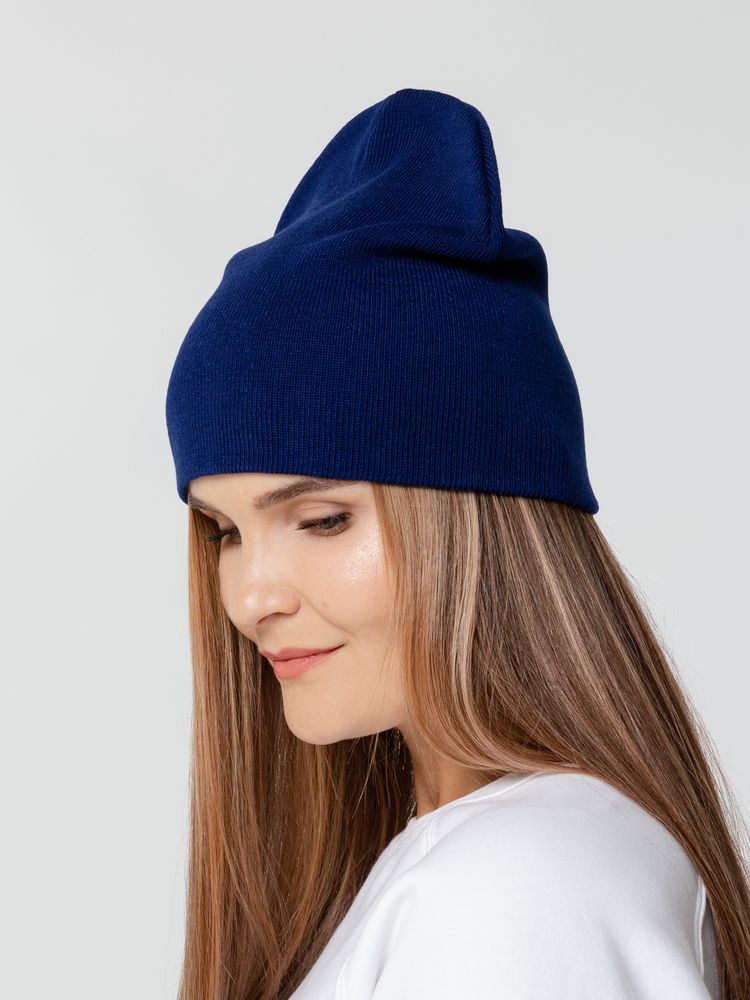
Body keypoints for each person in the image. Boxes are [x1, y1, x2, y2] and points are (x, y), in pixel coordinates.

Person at [164, 88, 749, 1000]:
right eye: (227, 532)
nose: (250, 597)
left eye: (323, 520)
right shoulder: (506, 859)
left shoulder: (510, 887)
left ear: (481, 523)